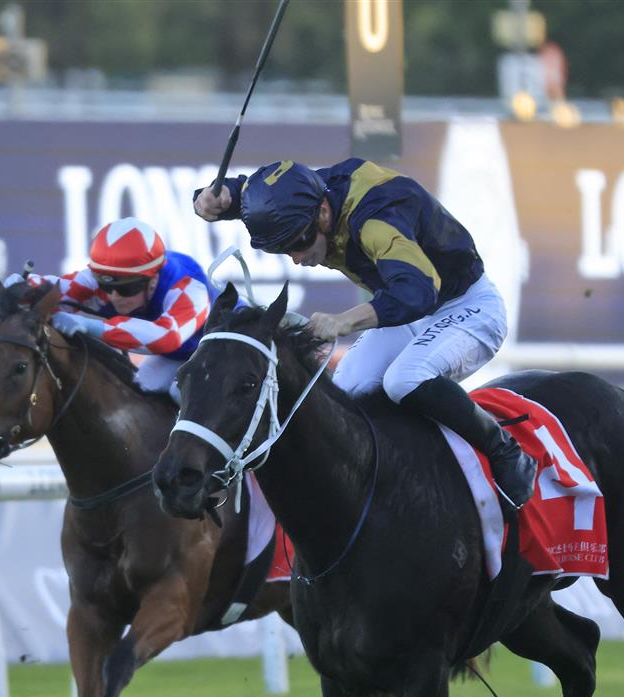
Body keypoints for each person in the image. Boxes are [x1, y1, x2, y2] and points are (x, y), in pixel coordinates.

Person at [193, 159, 537, 509]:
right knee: (341, 396)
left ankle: (506, 452)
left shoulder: (375, 221)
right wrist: (216, 200)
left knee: (404, 380)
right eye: (284, 250)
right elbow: (260, 190)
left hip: (467, 307)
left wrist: (344, 321)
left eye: (299, 242)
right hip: (409, 312)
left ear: (324, 212)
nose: (297, 258)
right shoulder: (313, 193)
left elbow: (418, 292)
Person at [44, 217, 214, 402]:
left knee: (181, 392)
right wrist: (20, 286)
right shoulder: (109, 274)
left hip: (225, 348)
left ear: (153, 280)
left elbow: (167, 336)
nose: (115, 296)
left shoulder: (189, 285)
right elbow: (54, 288)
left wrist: (91, 326)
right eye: (106, 286)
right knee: (138, 388)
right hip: (179, 354)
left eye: (127, 288)